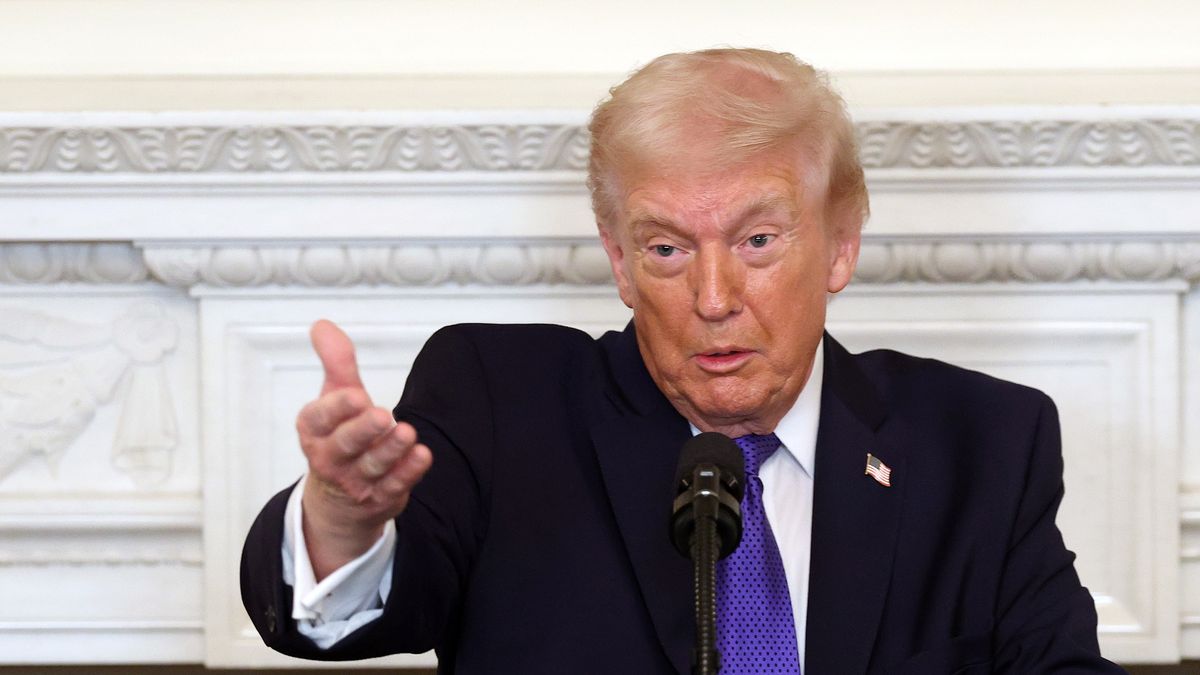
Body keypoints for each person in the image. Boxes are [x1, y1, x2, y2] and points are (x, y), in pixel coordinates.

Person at [241, 48, 1124, 673]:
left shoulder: (981, 445)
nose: (713, 295)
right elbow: (346, 618)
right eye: (666, 249)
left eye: (759, 239)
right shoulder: (500, 406)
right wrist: (343, 525)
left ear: (842, 244)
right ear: (620, 261)